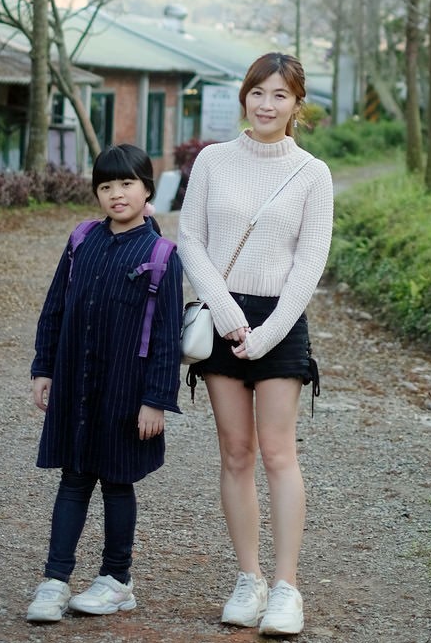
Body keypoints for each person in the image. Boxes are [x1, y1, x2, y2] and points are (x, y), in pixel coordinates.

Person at [177, 53, 333, 638]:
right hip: (222, 312)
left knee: (277, 453)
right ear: (244, 96)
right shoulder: (213, 160)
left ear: (297, 106)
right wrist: (223, 311)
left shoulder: (312, 173)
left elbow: (309, 263)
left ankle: (287, 587)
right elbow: (190, 238)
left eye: (280, 96)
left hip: (280, 320)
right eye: (257, 92)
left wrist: (266, 332)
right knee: (236, 452)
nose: (266, 105)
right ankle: (249, 578)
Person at [26, 144, 183, 624]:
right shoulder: (81, 242)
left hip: (126, 392)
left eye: (127, 184)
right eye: (106, 186)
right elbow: (55, 307)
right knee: (73, 480)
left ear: (147, 190)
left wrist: (155, 400)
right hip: (76, 385)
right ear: (96, 192)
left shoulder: (160, 256)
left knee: (117, 483)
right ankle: (55, 580)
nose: (116, 194)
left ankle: (117, 580)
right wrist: (43, 366)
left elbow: (166, 338)